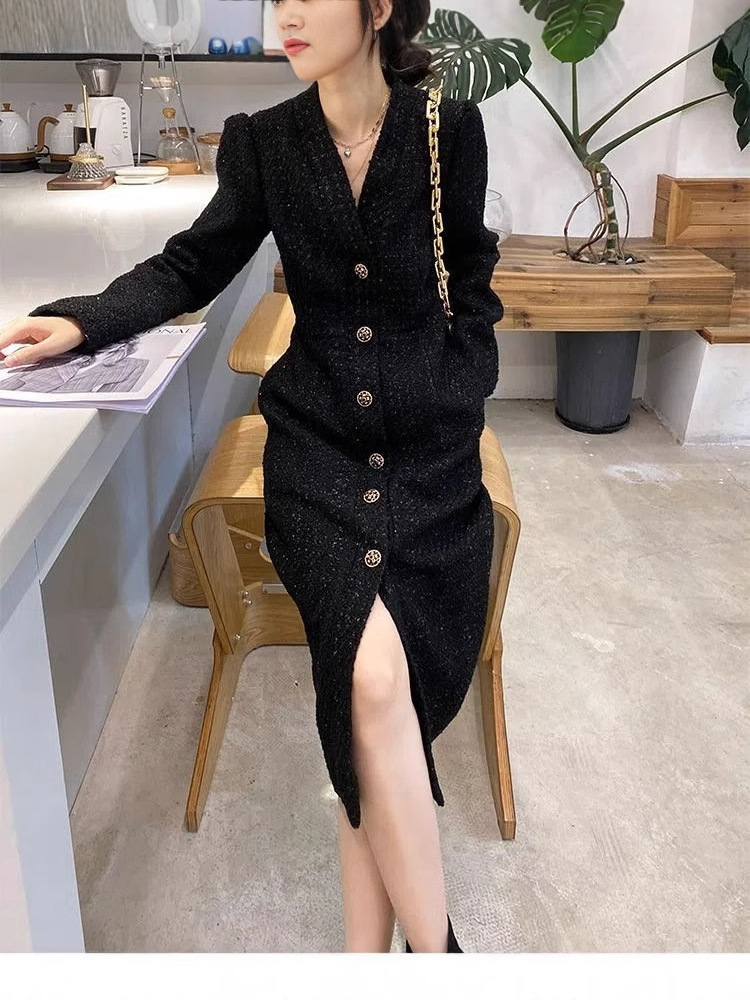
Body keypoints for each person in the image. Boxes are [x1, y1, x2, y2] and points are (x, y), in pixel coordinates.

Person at [0, 0, 503, 953]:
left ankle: (368, 961)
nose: (288, 14)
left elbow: (471, 278)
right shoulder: (266, 142)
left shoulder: (448, 128)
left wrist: (460, 381)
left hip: (432, 461)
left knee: (371, 698)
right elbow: (195, 263)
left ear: (379, 7)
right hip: (316, 455)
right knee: (371, 678)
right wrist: (84, 319)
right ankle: (441, 956)